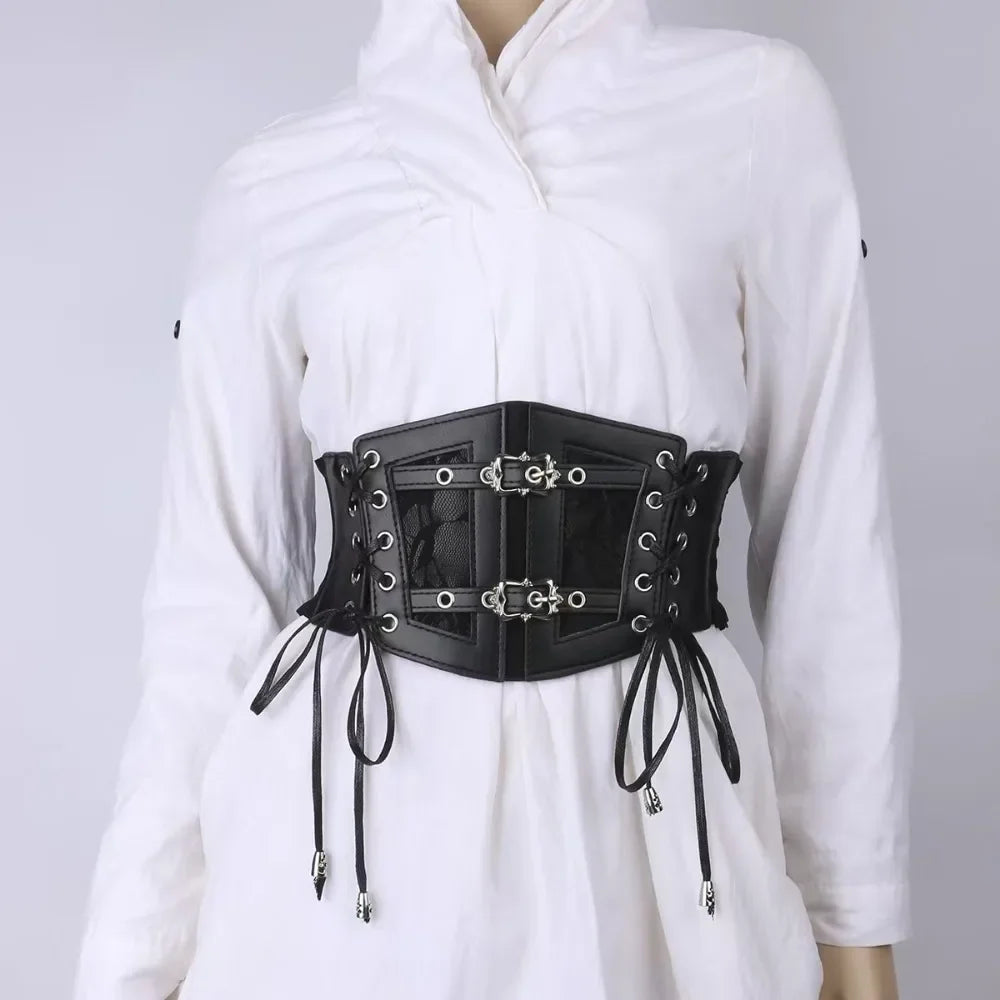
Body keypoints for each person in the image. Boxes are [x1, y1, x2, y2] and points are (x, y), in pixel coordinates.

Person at [72, 1, 912, 998]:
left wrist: (855, 924)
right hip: (346, 867)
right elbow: (209, 613)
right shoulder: (270, 185)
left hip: (649, 831)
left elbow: (830, 548)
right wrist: (129, 963)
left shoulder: (756, 110)